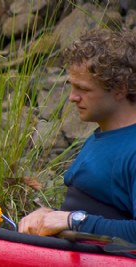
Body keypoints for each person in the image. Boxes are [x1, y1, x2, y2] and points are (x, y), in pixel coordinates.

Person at [18, 27, 136, 244]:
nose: (72, 98)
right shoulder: (101, 135)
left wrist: (74, 220)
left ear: (120, 89)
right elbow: (89, 214)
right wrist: (46, 214)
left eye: (83, 89)